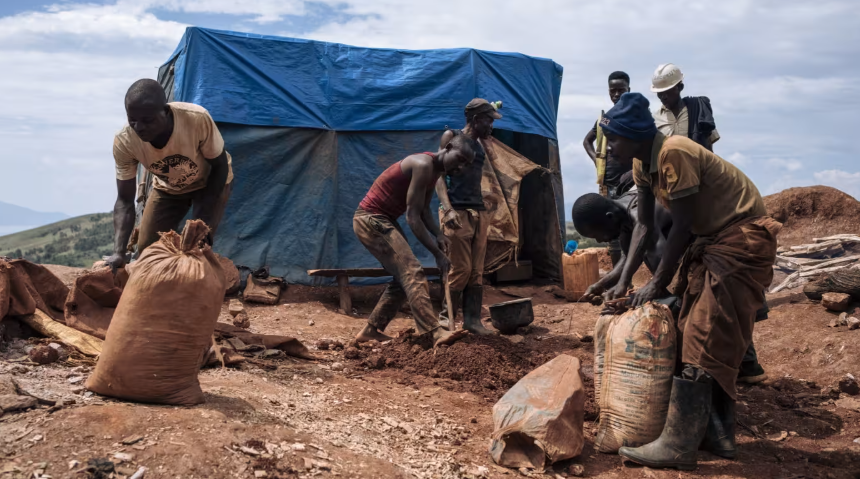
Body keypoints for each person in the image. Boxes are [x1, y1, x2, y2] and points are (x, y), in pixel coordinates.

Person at [600, 92, 780, 470]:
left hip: (740, 239)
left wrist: (657, 283)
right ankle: (718, 434)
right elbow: (645, 226)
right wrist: (621, 279)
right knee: (689, 327)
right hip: (715, 241)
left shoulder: (674, 152)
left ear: (633, 135)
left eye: (613, 138)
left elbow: (680, 226)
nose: (608, 147)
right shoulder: (641, 164)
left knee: (704, 332)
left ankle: (679, 446)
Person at [572, 191, 768, 386]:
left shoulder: (643, 215)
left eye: (597, 234)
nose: (599, 241)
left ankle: (727, 372)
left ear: (609, 217)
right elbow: (628, 256)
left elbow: (664, 267)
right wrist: (601, 284)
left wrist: (644, 294)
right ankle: (746, 368)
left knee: (713, 311)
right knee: (718, 312)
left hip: (710, 258)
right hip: (684, 265)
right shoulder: (621, 214)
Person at [353, 135, 476, 347]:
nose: (461, 166)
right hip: (370, 219)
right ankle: (433, 332)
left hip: (382, 220)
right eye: (460, 158)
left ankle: (371, 331)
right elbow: (412, 217)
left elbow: (425, 209)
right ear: (447, 148)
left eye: (466, 164)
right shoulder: (423, 164)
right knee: (412, 271)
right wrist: (437, 254)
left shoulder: (435, 172)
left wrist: (438, 234)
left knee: (403, 279)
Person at [107, 79, 233, 272]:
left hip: (210, 181)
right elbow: (124, 200)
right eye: (132, 120)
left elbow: (220, 167)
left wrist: (201, 222)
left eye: (147, 120)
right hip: (169, 188)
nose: (139, 127)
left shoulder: (196, 119)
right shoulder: (125, 141)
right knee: (147, 250)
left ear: (165, 112)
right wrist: (118, 252)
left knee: (196, 247)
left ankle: (195, 294)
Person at [435, 98, 501, 335]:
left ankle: (473, 321)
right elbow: (438, 175)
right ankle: (446, 321)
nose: (491, 126)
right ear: (475, 120)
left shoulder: (480, 145)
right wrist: (448, 208)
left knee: (476, 271)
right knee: (460, 269)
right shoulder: (451, 137)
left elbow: (471, 179)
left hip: (477, 212)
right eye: (488, 121)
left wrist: (487, 198)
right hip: (457, 212)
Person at [582, 71, 634, 265]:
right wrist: (596, 159)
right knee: (611, 229)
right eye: (613, 91)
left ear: (629, 90)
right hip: (608, 183)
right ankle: (619, 278)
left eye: (621, 90)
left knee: (636, 225)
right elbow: (587, 141)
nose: (617, 94)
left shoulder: (635, 116)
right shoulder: (605, 119)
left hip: (633, 183)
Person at [651, 63, 720, 151]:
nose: (664, 97)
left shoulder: (699, 112)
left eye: (668, 91)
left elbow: (709, 150)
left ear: (680, 87)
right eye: (660, 93)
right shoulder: (654, 120)